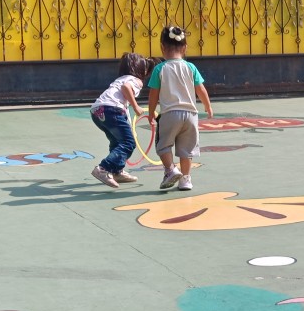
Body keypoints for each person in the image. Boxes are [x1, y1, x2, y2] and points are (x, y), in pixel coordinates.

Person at [147, 25, 213, 191]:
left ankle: (170, 170)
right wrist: (208, 106)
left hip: (169, 114)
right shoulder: (191, 67)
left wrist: (151, 112)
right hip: (191, 115)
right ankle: (186, 179)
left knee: (163, 145)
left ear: (162, 47)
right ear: (184, 48)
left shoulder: (160, 69)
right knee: (186, 150)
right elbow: (201, 89)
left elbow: (153, 94)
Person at [89, 52, 152, 188]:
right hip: (112, 109)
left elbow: (123, 106)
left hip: (97, 110)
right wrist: (136, 106)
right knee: (128, 143)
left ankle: (116, 171)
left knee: (117, 141)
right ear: (139, 69)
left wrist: (129, 127)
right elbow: (126, 88)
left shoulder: (120, 79)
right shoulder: (136, 81)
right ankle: (104, 168)